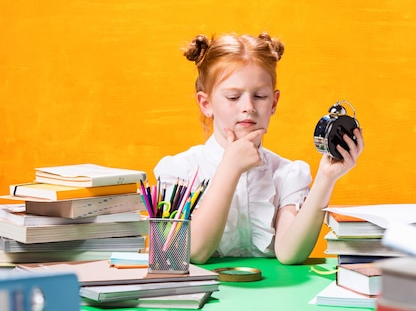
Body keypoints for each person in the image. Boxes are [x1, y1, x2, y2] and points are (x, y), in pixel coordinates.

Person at [153, 32, 364, 265]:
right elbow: (194, 252)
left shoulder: (286, 174)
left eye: (260, 96)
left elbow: (290, 253)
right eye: (233, 97)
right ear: (206, 104)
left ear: (273, 103)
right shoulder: (181, 171)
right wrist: (230, 168)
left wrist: (326, 178)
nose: (248, 107)